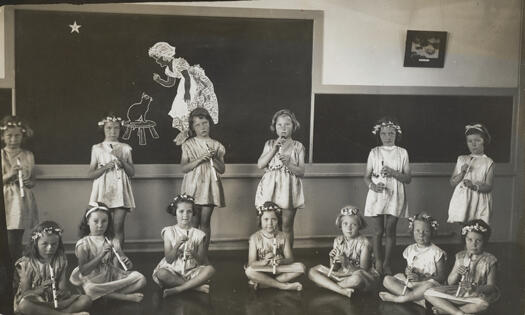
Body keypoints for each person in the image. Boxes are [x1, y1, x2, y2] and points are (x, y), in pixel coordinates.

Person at [69, 204, 146, 302]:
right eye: (95, 221)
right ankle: (123, 297)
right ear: (88, 221)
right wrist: (101, 254)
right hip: (92, 278)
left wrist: (127, 263)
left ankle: (105, 295)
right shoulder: (83, 244)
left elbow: (125, 264)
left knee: (141, 279)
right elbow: (84, 271)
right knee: (90, 288)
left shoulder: (113, 240)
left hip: (110, 275)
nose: (100, 225)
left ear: (108, 222)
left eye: (104, 221)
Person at [363, 117, 411, 275]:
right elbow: (366, 176)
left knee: (390, 230)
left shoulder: (402, 152)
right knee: (378, 231)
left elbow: (408, 178)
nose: (387, 136)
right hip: (378, 194)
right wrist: (373, 186)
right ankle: (377, 260)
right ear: (379, 134)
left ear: (396, 134)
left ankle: (387, 262)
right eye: (384, 133)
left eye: (391, 133)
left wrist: (393, 172)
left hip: (395, 193)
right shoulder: (374, 152)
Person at [13, 221, 92, 315]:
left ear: (59, 243)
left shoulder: (60, 260)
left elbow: (63, 288)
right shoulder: (26, 264)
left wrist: (62, 292)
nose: (50, 248)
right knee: (24, 306)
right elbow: (25, 293)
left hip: (54, 301)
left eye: (54, 244)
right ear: (35, 243)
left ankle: (56, 313)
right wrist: (39, 290)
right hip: (35, 300)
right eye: (44, 244)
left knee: (86, 299)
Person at [148, 41, 219, 144]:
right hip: (184, 84)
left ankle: (193, 129)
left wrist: (187, 92)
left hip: (191, 81)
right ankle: (186, 130)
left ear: (164, 56)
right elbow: (170, 83)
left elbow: (187, 77)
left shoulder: (179, 62)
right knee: (180, 106)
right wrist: (159, 80)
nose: (157, 62)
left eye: (157, 59)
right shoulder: (168, 70)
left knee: (190, 103)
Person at [425, 220, 499, 314]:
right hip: (458, 292)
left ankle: (447, 311)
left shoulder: (490, 260)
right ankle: (458, 313)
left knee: (484, 304)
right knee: (428, 293)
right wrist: (457, 272)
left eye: (478, 241)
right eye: (470, 240)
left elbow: (491, 286)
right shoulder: (460, 256)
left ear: (484, 241)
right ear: (465, 239)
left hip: (477, 295)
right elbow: (450, 282)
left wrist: (475, 289)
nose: (474, 244)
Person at [255, 109, 305, 248]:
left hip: (289, 188)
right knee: (267, 223)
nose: (283, 128)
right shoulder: (270, 144)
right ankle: (267, 254)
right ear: (274, 127)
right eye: (279, 125)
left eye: (287, 124)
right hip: (270, 187)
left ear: (293, 126)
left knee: (287, 226)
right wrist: (274, 150)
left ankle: (287, 256)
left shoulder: (298, 146)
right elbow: (260, 164)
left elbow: (301, 172)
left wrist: (289, 163)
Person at [152, 194, 216, 297]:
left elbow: (201, 261)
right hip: (173, 270)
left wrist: (193, 253)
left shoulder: (199, 234)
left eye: (189, 211)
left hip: (191, 270)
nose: (185, 215)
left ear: (193, 213)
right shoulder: (169, 232)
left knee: (210, 269)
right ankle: (196, 287)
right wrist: (177, 245)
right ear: (175, 213)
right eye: (181, 211)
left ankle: (178, 289)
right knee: (161, 273)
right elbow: (169, 259)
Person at [308, 205, 380, 298]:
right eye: (345, 224)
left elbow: (363, 271)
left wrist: (346, 263)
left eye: (353, 225)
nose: (349, 228)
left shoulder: (364, 244)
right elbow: (334, 268)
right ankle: (342, 290)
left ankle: (328, 285)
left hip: (358, 276)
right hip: (343, 275)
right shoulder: (338, 241)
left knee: (357, 279)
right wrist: (332, 258)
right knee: (313, 271)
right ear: (340, 225)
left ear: (359, 226)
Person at [180, 107, 226, 250]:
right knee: (193, 221)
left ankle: (203, 254)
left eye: (205, 123)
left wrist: (213, 157)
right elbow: (184, 168)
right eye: (198, 125)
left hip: (209, 186)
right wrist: (200, 159)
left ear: (210, 123)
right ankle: (191, 252)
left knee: (205, 222)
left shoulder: (217, 145)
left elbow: (222, 169)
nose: (202, 127)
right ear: (193, 128)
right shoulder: (188, 144)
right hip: (192, 186)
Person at [379, 212, 446, 307]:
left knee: (429, 286)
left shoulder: (437, 252)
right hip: (412, 285)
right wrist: (408, 272)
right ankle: (418, 300)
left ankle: (400, 298)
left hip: (426, 284)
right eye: (417, 231)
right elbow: (408, 268)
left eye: (426, 231)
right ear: (412, 231)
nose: (421, 234)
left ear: (432, 232)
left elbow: (441, 277)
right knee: (387, 280)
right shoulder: (410, 249)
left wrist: (422, 278)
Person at [88, 114, 135, 247]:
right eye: (109, 128)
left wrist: (122, 162)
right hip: (103, 189)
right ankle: (101, 257)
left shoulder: (125, 148)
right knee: (100, 226)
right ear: (103, 129)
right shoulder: (97, 148)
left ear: (120, 130)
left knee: (118, 227)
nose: (113, 131)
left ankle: (118, 258)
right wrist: (105, 168)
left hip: (120, 189)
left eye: (116, 128)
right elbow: (90, 174)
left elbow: (132, 172)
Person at [1, 116, 39, 261]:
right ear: (3, 136)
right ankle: (8, 267)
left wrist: (30, 182)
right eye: (9, 136)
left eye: (17, 135)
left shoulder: (28, 155)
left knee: (18, 237)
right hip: (6, 199)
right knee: (8, 237)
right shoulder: (1, 155)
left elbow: (33, 179)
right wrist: (10, 174)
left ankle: (16, 267)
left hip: (22, 199)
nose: (13, 139)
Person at [245, 202, 306, 291]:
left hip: (278, 269)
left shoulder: (283, 236)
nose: (270, 223)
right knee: (249, 271)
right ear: (260, 220)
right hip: (262, 270)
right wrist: (264, 262)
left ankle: (263, 284)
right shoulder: (254, 238)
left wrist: (280, 261)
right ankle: (283, 286)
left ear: (278, 220)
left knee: (301, 267)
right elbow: (251, 263)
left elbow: (290, 259)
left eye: (273, 219)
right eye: (266, 219)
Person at [447, 124, 494, 224]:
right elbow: (452, 183)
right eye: (470, 141)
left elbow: (489, 186)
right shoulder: (462, 159)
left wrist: (474, 186)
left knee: (477, 227)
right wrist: (462, 173)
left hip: (479, 200)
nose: (473, 144)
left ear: (484, 141)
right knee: (464, 227)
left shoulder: (488, 162)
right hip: (463, 200)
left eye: (477, 140)